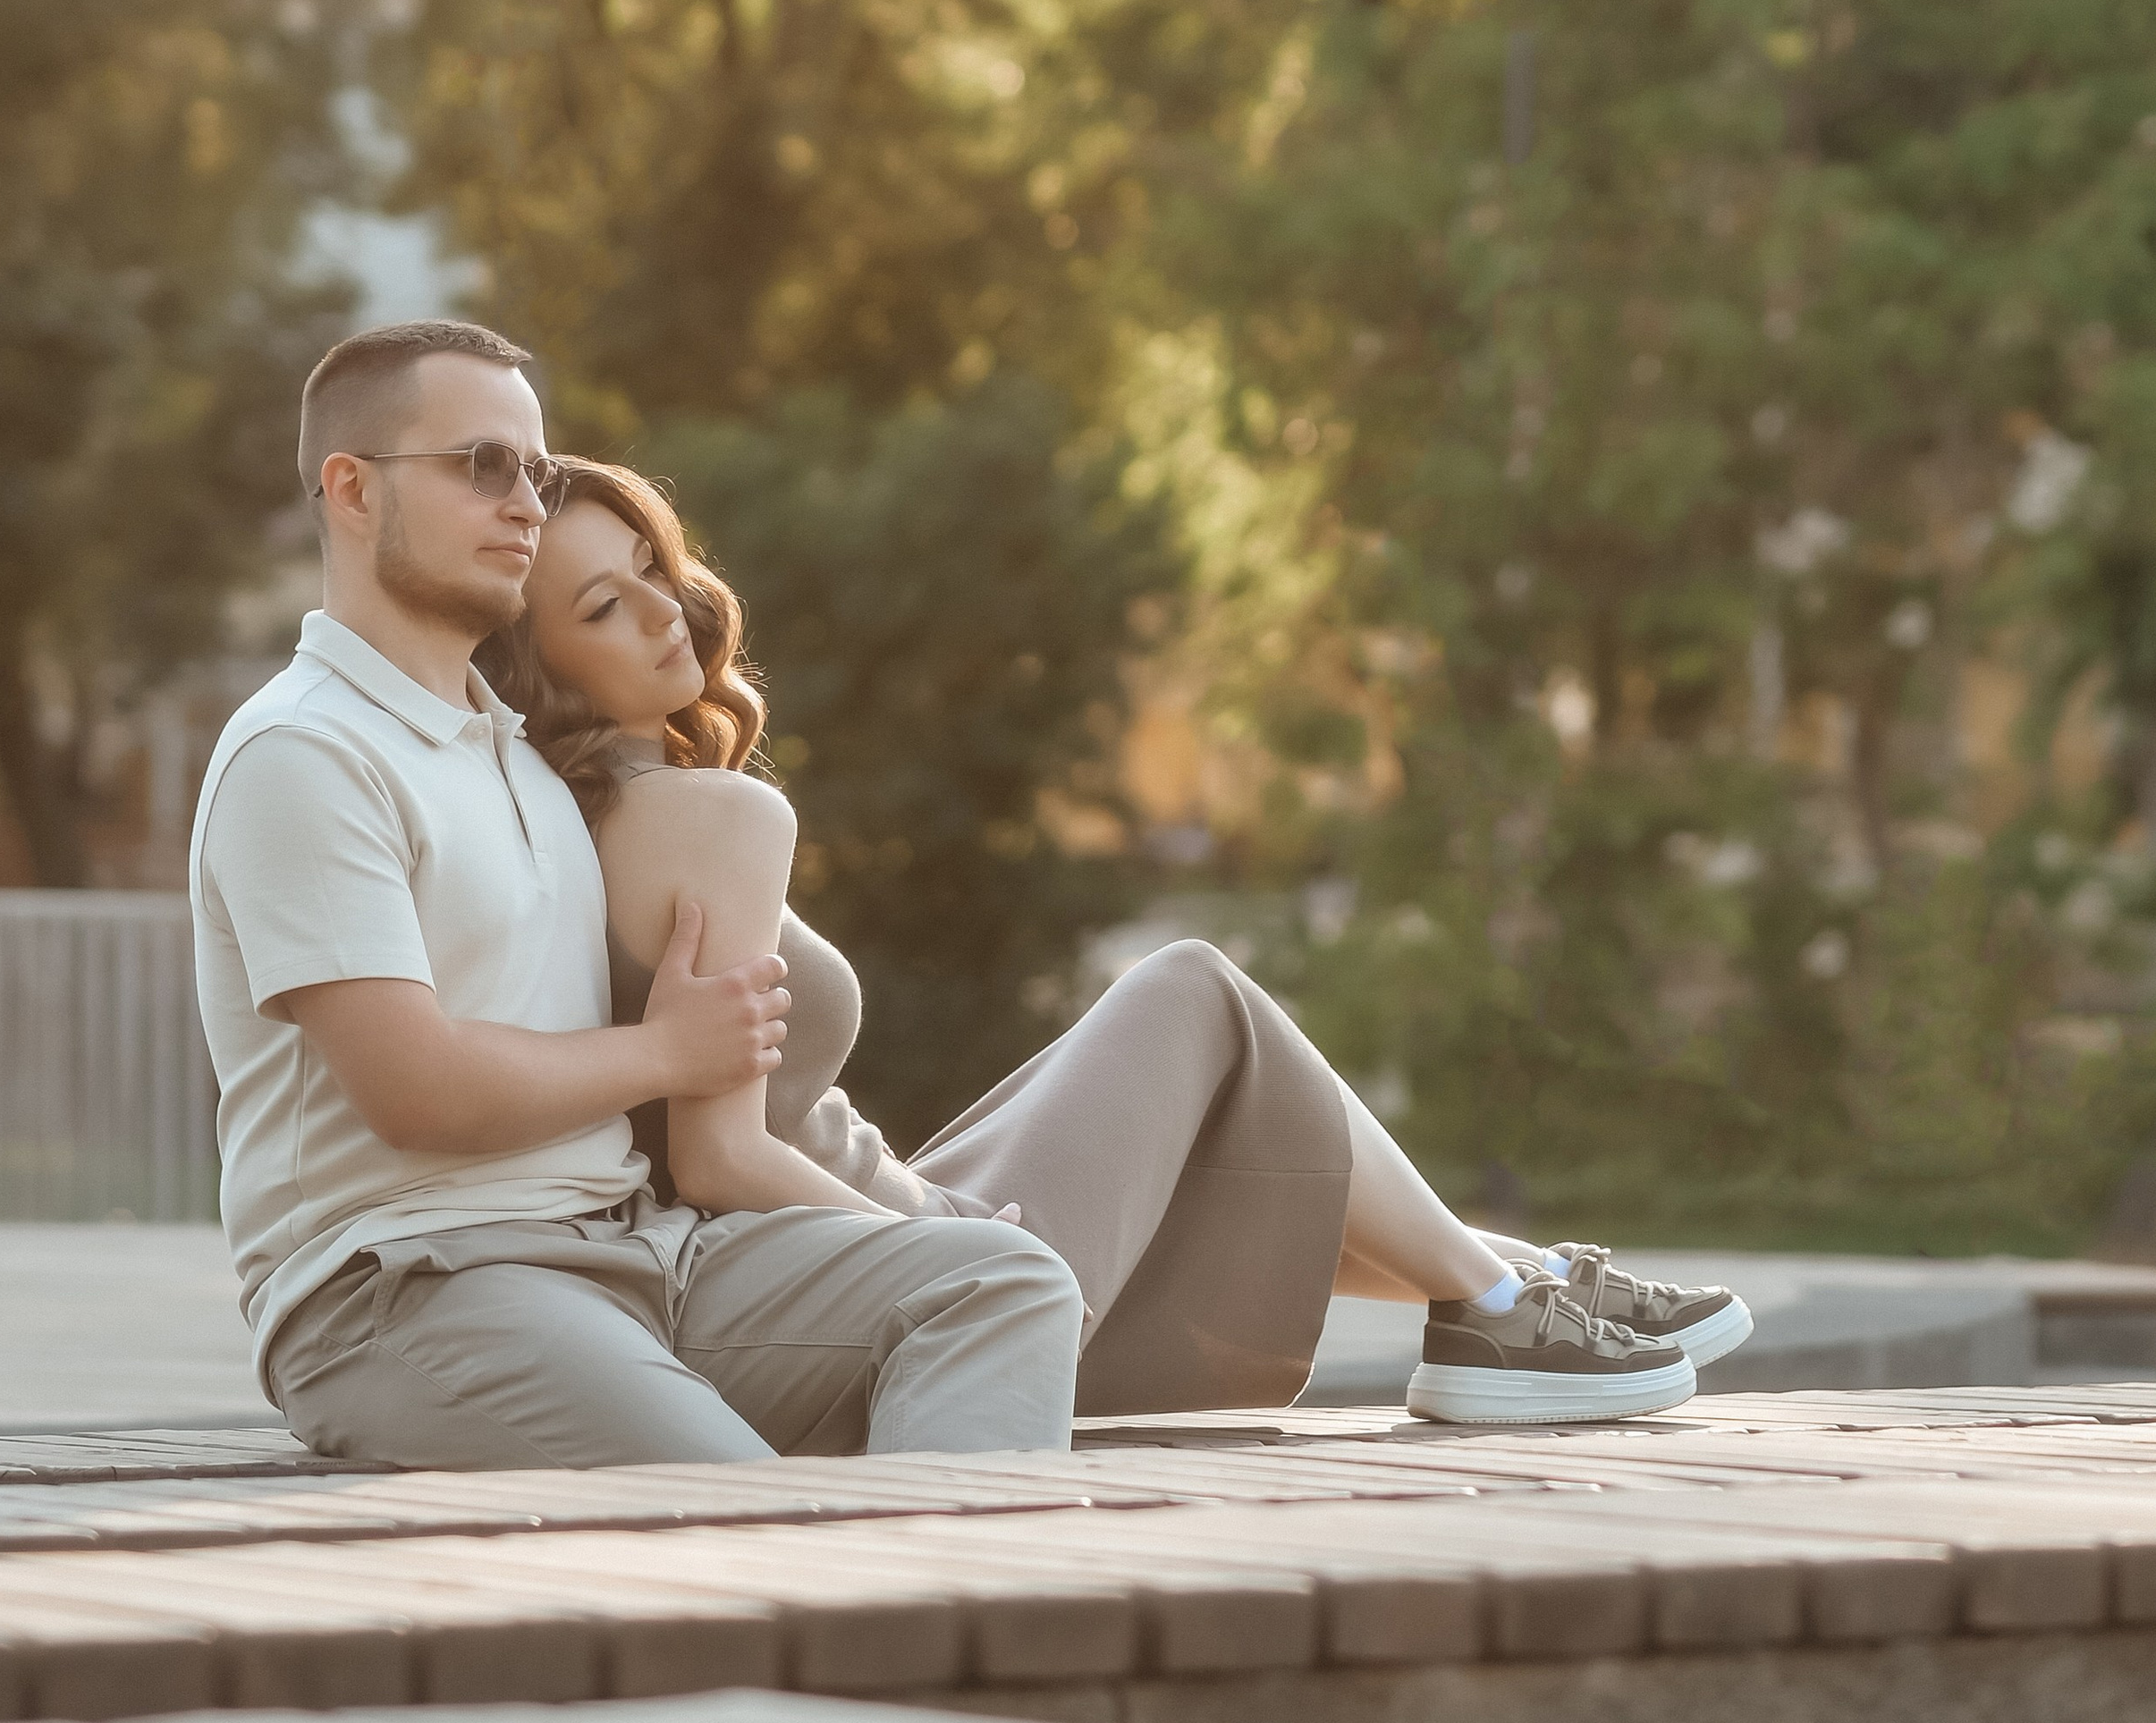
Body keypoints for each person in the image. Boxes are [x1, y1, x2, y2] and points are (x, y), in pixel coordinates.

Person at [484, 457, 1756, 1429]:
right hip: (887, 1252)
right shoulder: (707, 816)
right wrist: (956, 1257)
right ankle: (1500, 1311)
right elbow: (717, 1153)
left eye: (651, 563)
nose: (663, 610)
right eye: (603, 606)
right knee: (1195, 993)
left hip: (864, 1211)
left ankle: (1512, 1278)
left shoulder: (551, 822)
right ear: (540, 671)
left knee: (1213, 1123)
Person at [188, 318, 1085, 1468]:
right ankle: (910, 1572)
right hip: (409, 1288)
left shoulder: (513, 753)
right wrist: (667, 1054)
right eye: (483, 465)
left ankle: (932, 1572)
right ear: (353, 490)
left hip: (642, 1256)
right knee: (729, 1501)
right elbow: (416, 1091)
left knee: (1001, 1280)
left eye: (534, 469)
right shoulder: (304, 753)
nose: (526, 504)